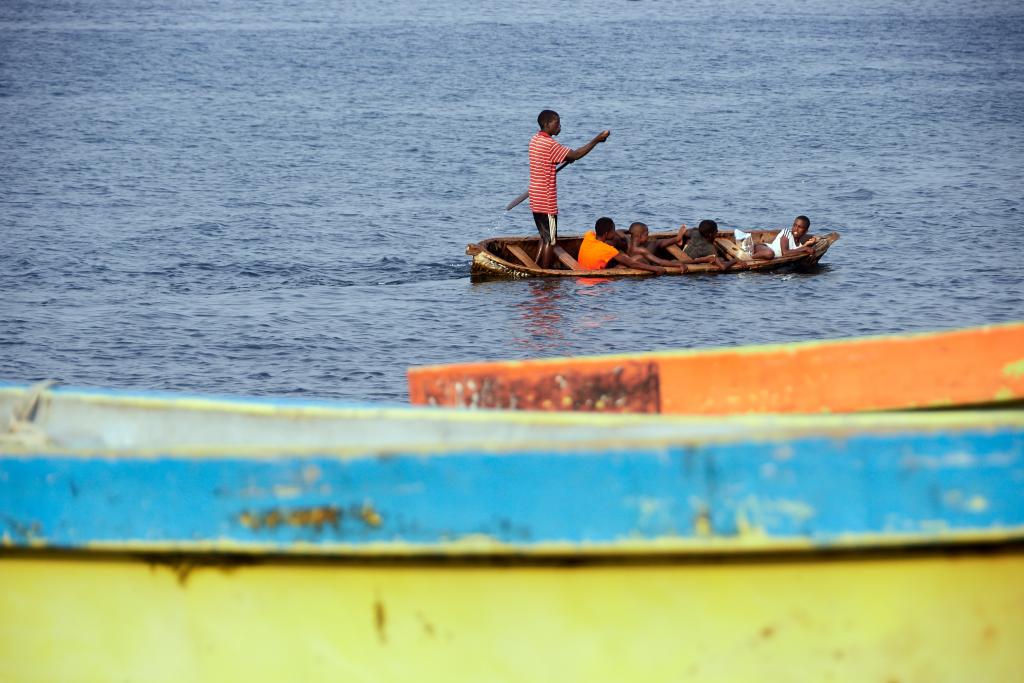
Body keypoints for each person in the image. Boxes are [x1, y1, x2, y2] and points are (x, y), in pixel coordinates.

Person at [529, 110, 611, 269]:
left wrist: (566, 157)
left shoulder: (535, 140)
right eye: (557, 123)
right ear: (547, 124)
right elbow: (575, 155)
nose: (560, 126)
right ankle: (545, 274)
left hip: (535, 197)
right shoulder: (550, 144)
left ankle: (536, 266)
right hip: (546, 200)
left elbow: (553, 158)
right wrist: (596, 140)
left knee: (544, 237)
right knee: (551, 241)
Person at [577, 217, 677, 274]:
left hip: (584, 266)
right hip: (596, 274)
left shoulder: (589, 235)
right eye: (613, 230)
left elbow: (616, 233)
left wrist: (628, 231)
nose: (615, 232)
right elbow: (632, 264)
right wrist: (656, 269)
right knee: (637, 259)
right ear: (606, 234)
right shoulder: (608, 250)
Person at [625, 222, 692, 271]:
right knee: (656, 243)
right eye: (646, 234)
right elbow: (660, 262)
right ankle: (677, 239)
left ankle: (677, 239)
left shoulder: (626, 244)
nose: (648, 236)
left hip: (637, 263)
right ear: (640, 236)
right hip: (649, 264)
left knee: (655, 243)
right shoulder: (642, 250)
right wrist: (678, 265)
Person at [751, 215, 819, 260]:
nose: (796, 229)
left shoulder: (799, 245)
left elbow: (796, 249)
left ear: (806, 231)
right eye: (795, 225)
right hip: (764, 248)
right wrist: (805, 248)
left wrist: (807, 245)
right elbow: (785, 253)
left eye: (800, 227)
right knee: (769, 254)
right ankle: (750, 257)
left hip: (772, 256)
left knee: (770, 255)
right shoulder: (786, 233)